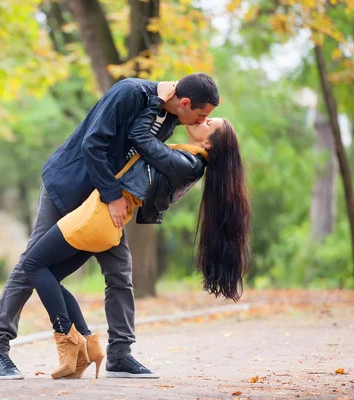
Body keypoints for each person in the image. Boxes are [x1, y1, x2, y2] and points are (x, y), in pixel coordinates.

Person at [0, 73, 220, 380]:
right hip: (70, 188)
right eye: (202, 115)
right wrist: (112, 196)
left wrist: (118, 199)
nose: (201, 121)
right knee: (31, 265)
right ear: (186, 103)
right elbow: (92, 143)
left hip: (105, 204)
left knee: (120, 273)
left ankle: (120, 355)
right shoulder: (130, 93)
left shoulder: (171, 118)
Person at [21, 117, 251, 379]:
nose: (204, 119)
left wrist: (160, 110)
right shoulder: (188, 158)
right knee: (50, 275)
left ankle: (69, 341)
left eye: (210, 123)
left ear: (208, 142)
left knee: (32, 264)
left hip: (97, 216)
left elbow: (142, 139)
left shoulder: (188, 164)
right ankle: (88, 344)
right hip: (104, 220)